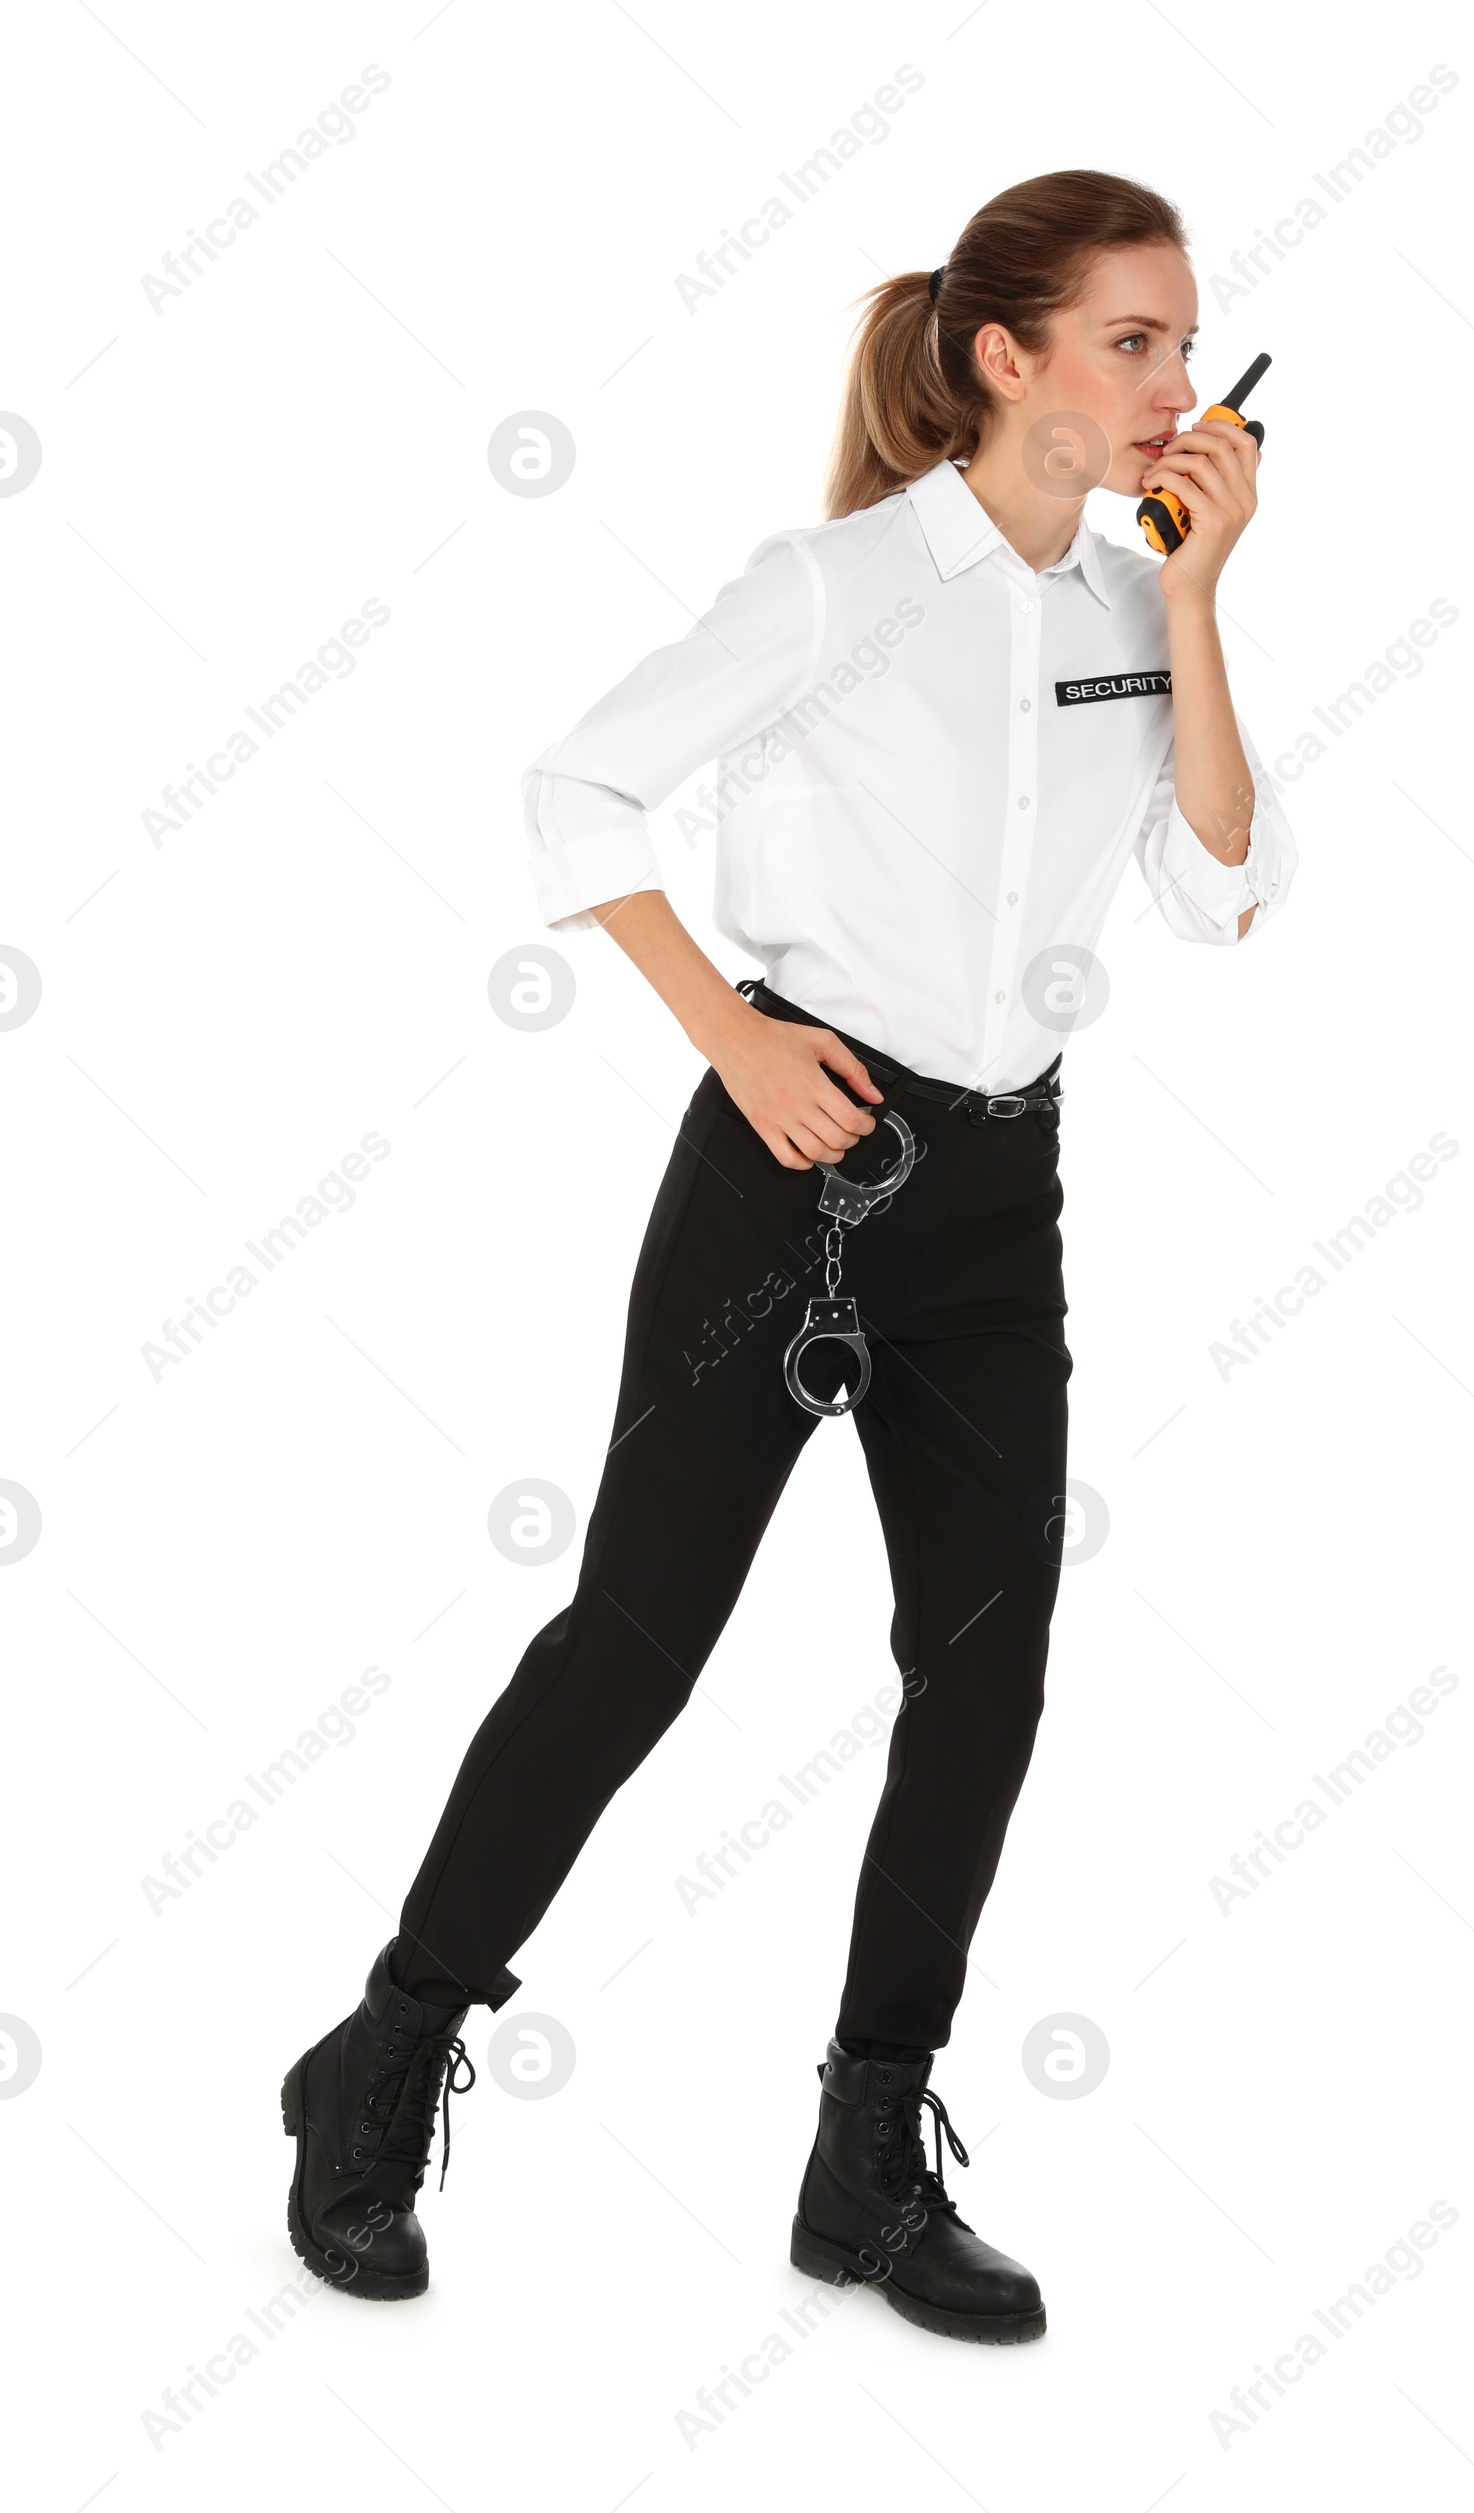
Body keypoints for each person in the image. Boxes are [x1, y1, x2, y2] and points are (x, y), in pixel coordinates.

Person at [281, 166, 1297, 2345]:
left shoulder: (1137, 606)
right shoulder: (838, 584)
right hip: (790, 1174)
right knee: (634, 1646)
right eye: (1128, 342)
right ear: (1001, 358)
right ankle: (380, 2056)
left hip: (995, 1203)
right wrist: (726, 1031)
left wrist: (1199, 602)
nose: (1170, 386)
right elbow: (575, 787)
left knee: (986, 1679)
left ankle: (863, 2160)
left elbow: (1220, 896)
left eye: (1185, 343)